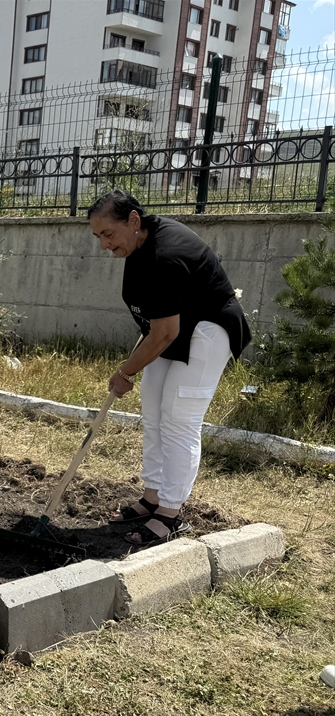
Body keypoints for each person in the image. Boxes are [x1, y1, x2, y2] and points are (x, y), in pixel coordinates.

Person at [89, 191, 251, 546]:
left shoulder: (165, 255)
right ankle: (153, 496)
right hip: (175, 327)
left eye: (108, 234)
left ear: (133, 220)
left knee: (179, 418)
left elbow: (165, 332)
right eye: (98, 236)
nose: (103, 245)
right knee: (154, 409)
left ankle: (171, 512)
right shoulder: (137, 244)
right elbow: (156, 321)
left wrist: (126, 372)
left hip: (208, 330)